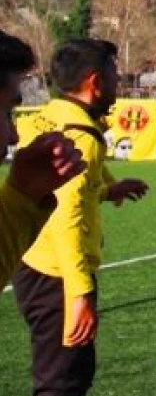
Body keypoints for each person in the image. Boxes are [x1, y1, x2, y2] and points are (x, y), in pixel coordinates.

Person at [14, 39, 149, 396]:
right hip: (57, 274)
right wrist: (81, 293)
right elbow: (67, 217)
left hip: (30, 261)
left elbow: (66, 186)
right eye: (114, 72)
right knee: (60, 394)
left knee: (60, 386)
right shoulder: (83, 137)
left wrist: (108, 189)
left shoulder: (51, 115)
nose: (118, 80)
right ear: (95, 81)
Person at [0, 31, 85, 288]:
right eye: (7, 113)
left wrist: (21, 195)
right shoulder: (83, 133)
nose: (13, 135)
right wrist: (79, 288)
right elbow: (73, 210)